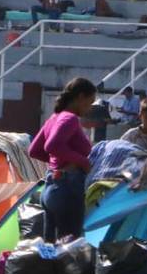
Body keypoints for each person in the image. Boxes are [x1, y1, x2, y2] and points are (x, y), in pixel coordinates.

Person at [28, 77, 96, 242]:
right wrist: (81, 162)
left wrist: (59, 163)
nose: (89, 109)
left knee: (51, 250)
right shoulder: (69, 118)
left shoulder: (53, 118)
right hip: (68, 189)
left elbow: (34, 150)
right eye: (89, 102)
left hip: (51, 188)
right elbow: (52, 146)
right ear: (80, 97)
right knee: (70, 251)